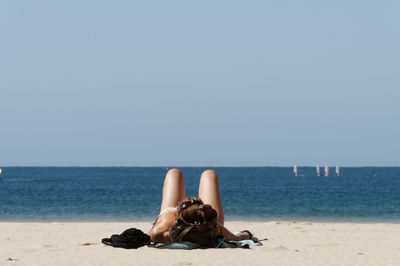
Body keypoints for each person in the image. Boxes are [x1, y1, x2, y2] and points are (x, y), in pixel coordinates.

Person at [149, 169, 255, 245]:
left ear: (178, 217)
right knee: (209, 174)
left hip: (172, 220)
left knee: (173, 173)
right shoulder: (212, 227)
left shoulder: (161, 230)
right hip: (205, 225)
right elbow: (236, 237)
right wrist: (248, 234)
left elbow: (149, 236)